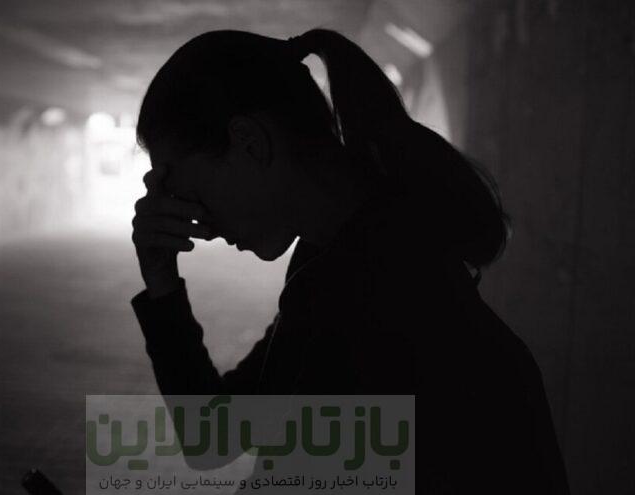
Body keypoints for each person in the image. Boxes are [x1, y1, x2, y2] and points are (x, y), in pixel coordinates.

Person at [129, 29, 570, 494]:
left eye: (193, 194)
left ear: (250, 141)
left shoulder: (373, 296)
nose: (204, 223)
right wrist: (161, 278)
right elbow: (216, 436)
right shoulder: (346, 262)